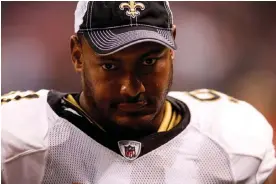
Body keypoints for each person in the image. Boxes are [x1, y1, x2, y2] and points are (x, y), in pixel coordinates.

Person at [1, 1, 275, 184]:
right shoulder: (19, 139)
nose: (131, 88)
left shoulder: (233, 139)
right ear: (77, 54)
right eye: (110, 65)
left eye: (149, 62)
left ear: (172, 49)